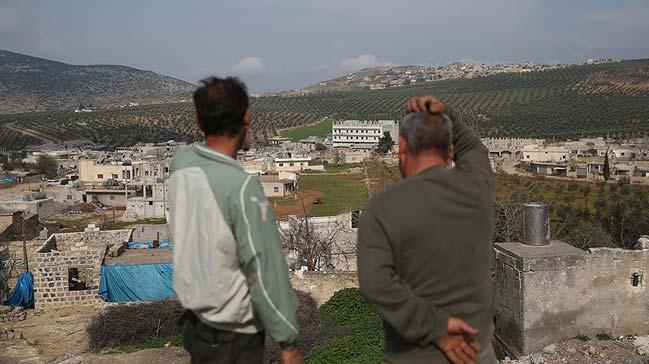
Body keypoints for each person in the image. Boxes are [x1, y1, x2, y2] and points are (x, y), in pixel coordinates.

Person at [169, 77, 302, 364]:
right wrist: (288, 341)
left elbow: (187, 153)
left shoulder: (181, 166)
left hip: (196, 326)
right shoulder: (242, 188)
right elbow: (265, 271)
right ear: (247, 117)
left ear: (197, 121)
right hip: (232, 335)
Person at [357, 96, 496, 364]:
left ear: (402, 147)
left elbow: (377, 285)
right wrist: (447, 115)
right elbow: (475, 149)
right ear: (450, 152)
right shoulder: (478, 189)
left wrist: (438, 329)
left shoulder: (381, 209)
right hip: (478, 355)